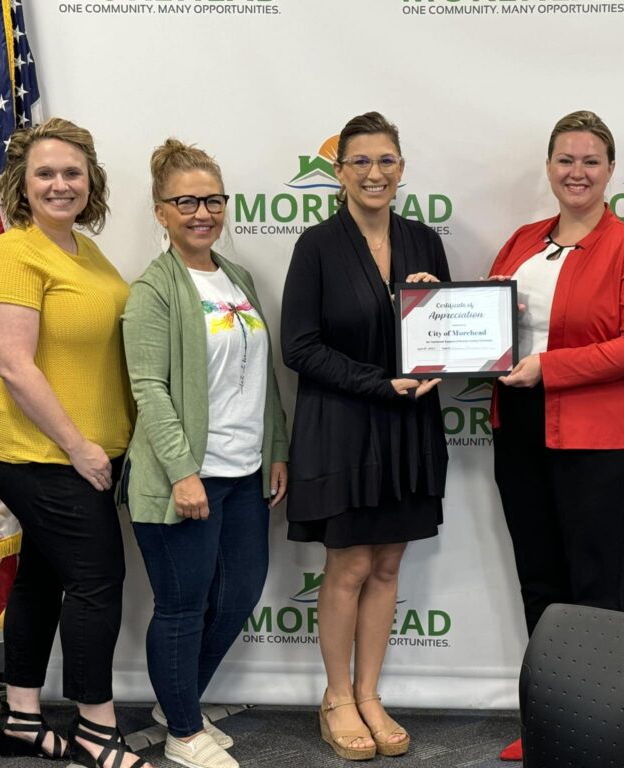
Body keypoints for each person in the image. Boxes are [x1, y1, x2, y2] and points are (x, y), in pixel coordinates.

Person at [488, 110, 624, 761]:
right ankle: (549, 724)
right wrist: (429, 303)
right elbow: (481, 322)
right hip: (519, 428)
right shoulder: (521, 241)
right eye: (566, 159)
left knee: (593, 589)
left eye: (591, 160)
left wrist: (550, 367)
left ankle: (598, 731)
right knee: (539, 579)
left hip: (598, 436)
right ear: (548, 167)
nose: (577, 172)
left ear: (611, 170)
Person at [0, 117, 149, 768]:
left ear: (90, 180)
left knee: (42, 577)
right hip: (40, 453)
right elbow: (15, 366)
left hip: (87, 452)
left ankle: (23, 719)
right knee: (98, 582)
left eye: (72, 172)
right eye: (45, 173)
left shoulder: (85, 250)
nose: (60, 184)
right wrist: (79, 445)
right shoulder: (14, 252)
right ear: (22, 184)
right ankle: (96, 730)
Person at [280, 111, 449, 761]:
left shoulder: (423, 241)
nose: (374, 173)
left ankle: (370, 694)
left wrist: (437, 301)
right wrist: (380, 383)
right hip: (343, 425)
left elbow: (445, 337)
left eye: (386, 161)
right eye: (361, 162)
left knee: (387, 564)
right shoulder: (317, 246)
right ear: (339, 171)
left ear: (402, 169)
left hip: (408, 428)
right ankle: (336, 697)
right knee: (349, 564)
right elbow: (299, 346)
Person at [121, 139, 289, 768]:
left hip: (245, 472)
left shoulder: (237, 278)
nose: (202, 213)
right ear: (161, 211)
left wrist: (275, 446)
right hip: (184, 478)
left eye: (213, 200)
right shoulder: (154, 289)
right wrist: (182, 472)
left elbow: (262, 373)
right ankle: (184, 732)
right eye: (186, 202)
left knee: (239, 595)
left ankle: (177, 702)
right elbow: (149, 389)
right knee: (182, 607)